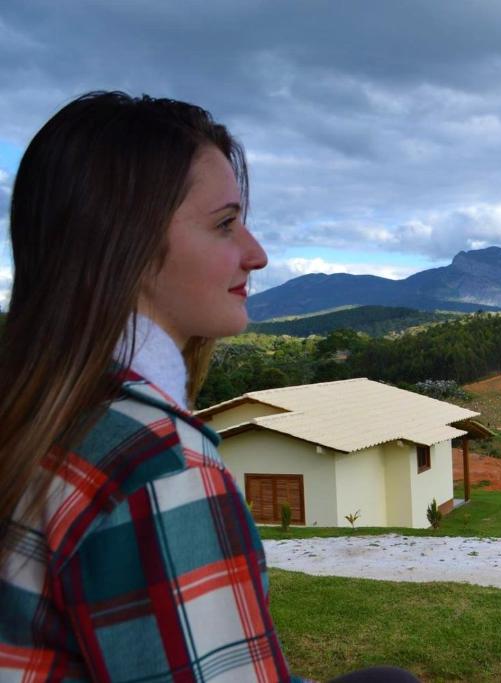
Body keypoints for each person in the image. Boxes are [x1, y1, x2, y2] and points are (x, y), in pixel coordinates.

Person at [0, 92, 418, 683]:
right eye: (225, 224)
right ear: (128, 245)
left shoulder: (38, 408)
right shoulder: (159, 466)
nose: (258, 254)